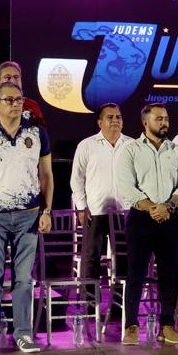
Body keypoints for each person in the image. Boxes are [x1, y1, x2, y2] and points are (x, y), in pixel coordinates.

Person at [0, 82, 53, 354]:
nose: (15, 104)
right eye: (9, 100)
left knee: (24, 278)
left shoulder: (37, 133)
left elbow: (47, 174)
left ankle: (23, 333)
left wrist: (47, 210)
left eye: (19, 99)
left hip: (29, 215)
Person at [116, 104, 178, 345]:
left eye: (166, 118)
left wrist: (168, 206)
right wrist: (152, 208)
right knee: (135, 274)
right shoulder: (131, 150)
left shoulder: (176, 150)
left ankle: (167, 326)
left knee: (170, 274)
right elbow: (127, 187)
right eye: (159, 119)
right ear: (145, 122)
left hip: (169, 217)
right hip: (140, 219)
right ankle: (131, 326)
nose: (164, 122)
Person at [69, 103, 134, 283]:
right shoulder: (87, 145)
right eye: (110, 117)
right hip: (95, 212)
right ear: (100, 122)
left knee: (124, 258)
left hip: (124, 212)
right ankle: (90, 298)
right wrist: (82, 207)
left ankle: (119, 300)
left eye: (118, 117)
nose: (115, 121)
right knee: (91, 258)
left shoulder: (132, 145)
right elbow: (76, 179)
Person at [0, 61, 46, 129]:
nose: (13, 81)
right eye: (8, 77)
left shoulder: (31, 106)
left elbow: (41, 133)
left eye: (16, 77)